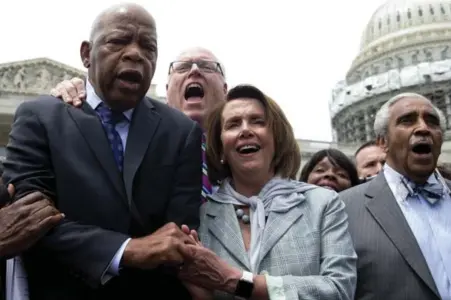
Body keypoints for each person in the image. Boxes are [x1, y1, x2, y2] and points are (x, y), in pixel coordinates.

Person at [3, 3, 202, 299]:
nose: (135, 53)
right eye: (118, 41)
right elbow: (28, 223)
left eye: (148, 47)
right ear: (86, 54)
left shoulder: (182, 132)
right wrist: (127, 250)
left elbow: (178, 236)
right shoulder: (40, 117)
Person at [176, 85, 357, 300]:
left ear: (277, 139)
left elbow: (340, 289)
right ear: (221, 146)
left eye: (258, 122)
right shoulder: (201, 216)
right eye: (233, 124)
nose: (245, 130)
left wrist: (234, 281)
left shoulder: (323, 203)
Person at [51, 47, 227, 201]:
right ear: (166, 92)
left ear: (225, 90)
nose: (195, 71)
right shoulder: (124, 135)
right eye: (182, 67)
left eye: (207, 66)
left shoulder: (244, 147)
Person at [340, 93, 451, 300]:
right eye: (408, 120)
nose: (423, 128)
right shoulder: (343, 208)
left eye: (431, 121)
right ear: (382, 142)